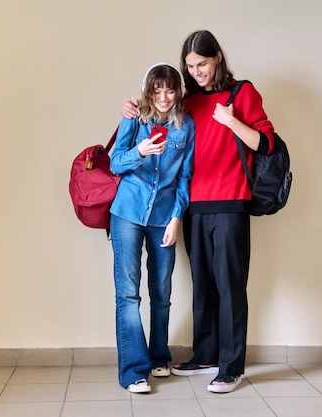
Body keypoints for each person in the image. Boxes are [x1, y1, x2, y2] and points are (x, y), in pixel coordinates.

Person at [120, 30, 275, 393]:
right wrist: (129, 108)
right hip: (193, 205)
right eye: (190, 66)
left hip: (230, 202)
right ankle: (205, 354)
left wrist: (231, 121)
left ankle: (231, 365)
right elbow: (155, 114)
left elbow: (267, 142)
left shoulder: (242, 93)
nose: (196, 71)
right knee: (202, 284)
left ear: (217, 56)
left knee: (230, 285)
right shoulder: (187, 101)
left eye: (201, 64)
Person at [110, 62, 195, 393]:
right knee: (128, 294)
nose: (163, 96)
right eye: (157, 90)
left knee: (162, 293)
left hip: (164, 219)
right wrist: (139, 151)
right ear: (148, 90)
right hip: (127, 214)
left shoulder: (185, 127)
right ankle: (133, 371)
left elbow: (185, 177)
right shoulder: (134, 118)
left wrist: (176, 217)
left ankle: (159, 357)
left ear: (177, 91)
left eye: (170, 89)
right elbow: (116, 163)